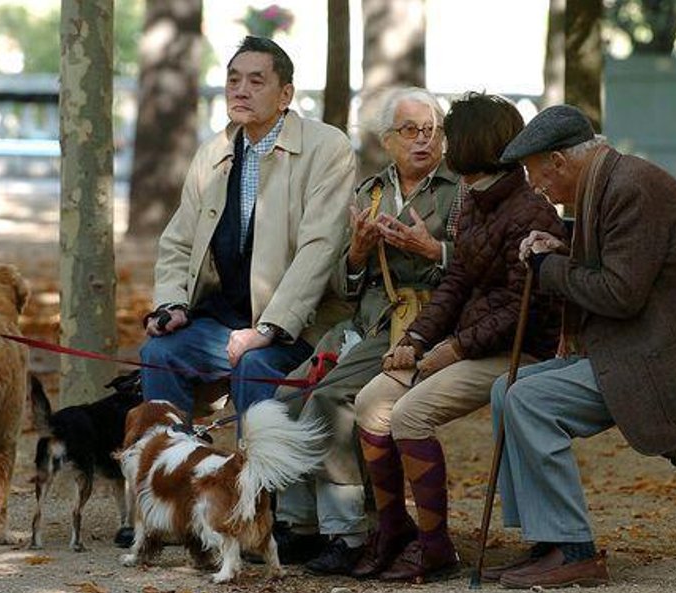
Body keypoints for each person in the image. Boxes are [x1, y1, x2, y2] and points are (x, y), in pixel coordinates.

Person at [485, 104, 676, 589]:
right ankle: (549, 540)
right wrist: (561, 248)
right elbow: (621, 266)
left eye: (539, 178)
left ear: (560, 161)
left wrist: (549, 270)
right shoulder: (609, 182)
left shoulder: (630, 189)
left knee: (529, 400)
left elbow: (620, 294)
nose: (539, 189)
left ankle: (575, 550)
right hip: (644, 346)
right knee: (506, 388)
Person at [349, 92, 565, 582]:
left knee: (410, 413)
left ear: (475, 144)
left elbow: (519, 310)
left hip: (515, 352)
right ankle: (393, 530)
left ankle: (435, 547)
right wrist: (417, 340)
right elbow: (455, 284)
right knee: (371, 402)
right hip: (465, 343)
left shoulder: (529, 211)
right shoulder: (472, 203)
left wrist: (452, 350)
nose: (439, 140)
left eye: (448, 133)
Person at [271, 87, 463, 575]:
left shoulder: (459, 193)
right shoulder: (371, 192)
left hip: (421, 325)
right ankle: (300, 524)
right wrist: (356, 254)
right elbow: (345, 284)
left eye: (432, 130)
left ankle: (347, 532)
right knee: (285, 397)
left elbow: (477, 271)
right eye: (410, 131)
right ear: (387, 140)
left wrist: (431, 251)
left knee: (330, 400)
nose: (423, 140)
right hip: (364, 323)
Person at [138, 36, 356, 420]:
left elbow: (319, 248)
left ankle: (257, 477)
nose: (241, 91)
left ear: (285, 94)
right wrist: (171, 303)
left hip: (301, 328)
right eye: (233, 80)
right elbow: (178, 241)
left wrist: (269, 328)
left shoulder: (327, 148)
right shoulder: (213, 151)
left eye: (256, 82)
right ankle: (172, 469)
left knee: (255, 364)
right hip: (224, 324)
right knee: (159, 354)